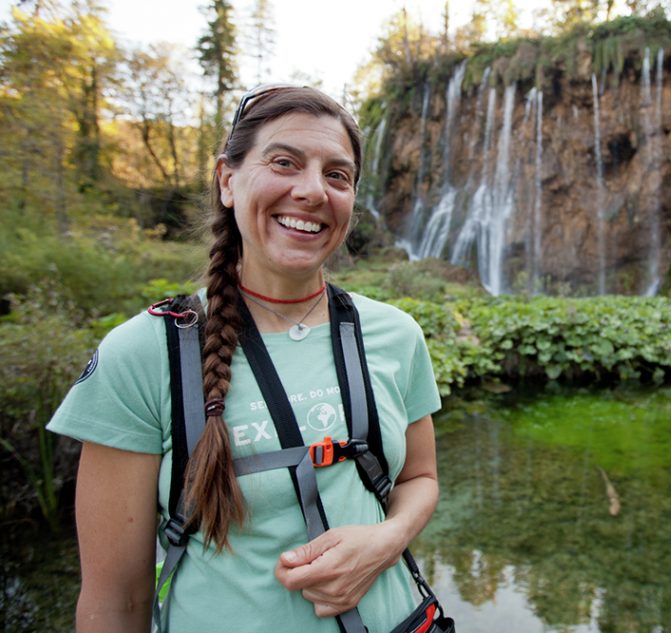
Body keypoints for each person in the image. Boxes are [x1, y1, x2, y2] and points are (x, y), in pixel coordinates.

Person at [47, 86, 442, 633]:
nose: (312, 191)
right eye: (284, 162)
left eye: (337, 175)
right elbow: (115, 603)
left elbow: (420, 477)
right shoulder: (144, 355)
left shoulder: (395, 335)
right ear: (227, 180)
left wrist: (386, 539)